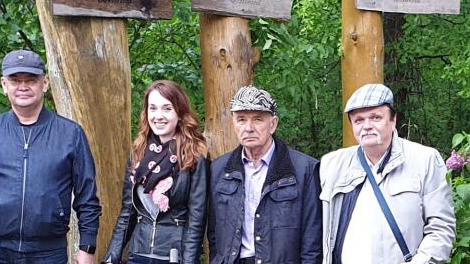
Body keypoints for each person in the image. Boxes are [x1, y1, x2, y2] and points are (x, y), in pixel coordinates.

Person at [0, 49, 101, 264]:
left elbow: (87, 197)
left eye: (31, 80)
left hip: (47, 252)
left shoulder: (70, 134)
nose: (23, 87)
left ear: (44, 83)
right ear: (4, 85)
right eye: (15, 80)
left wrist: (87, 246)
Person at [320, 83, 456, 264]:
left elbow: (441, 228)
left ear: (393, 120)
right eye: (359, 120)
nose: (366, 126)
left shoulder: (425, 160)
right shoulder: (332, 164)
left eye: (375, 117)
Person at [208, 85, 322, 264]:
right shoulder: (219, 170)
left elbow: (312, 240)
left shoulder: (304, 169)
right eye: (241, 120)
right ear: (233, 123)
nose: (249, 128)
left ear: (273, 124)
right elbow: (215, 235)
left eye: (258, 119)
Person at [103, 80, 209, 264]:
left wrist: (190, 261)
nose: (158, 116)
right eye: (153, 108)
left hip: (175, 256)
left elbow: (197, 219)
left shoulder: (194, 155)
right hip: (138, 254)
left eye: (167, 108)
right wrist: (111, 257)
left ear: (180, 113)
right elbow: (128, 212)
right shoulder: (138, 153)